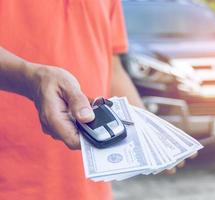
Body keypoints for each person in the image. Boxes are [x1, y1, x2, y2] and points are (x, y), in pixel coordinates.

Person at [0, 0, 153, 199]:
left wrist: (151, 134)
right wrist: (31, 77)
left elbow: (112, 67)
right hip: (12, 184)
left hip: (90, 187)